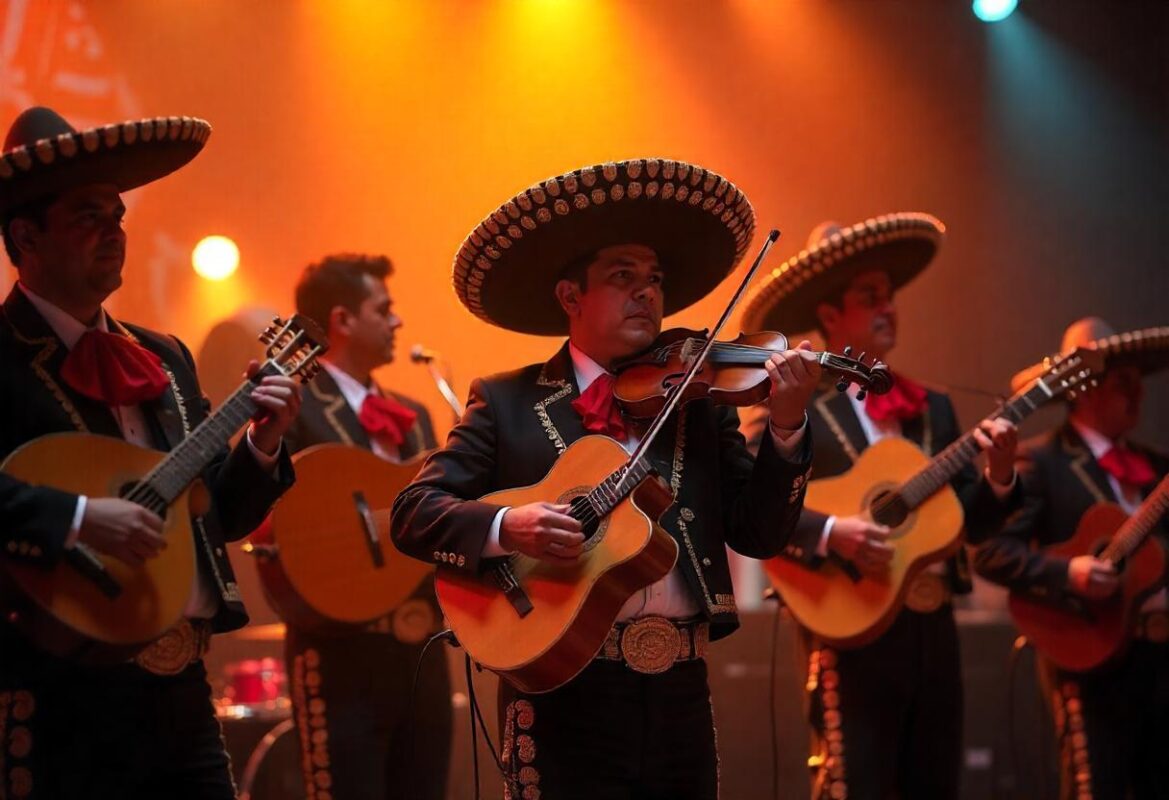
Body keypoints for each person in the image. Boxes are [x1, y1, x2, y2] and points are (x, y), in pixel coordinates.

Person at [391, 158, 821, 800]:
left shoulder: (695, 401)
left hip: (679, 686)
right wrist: (512, 526)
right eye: (623, 277)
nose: (648, 292)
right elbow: (413, 511)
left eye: (655, 279)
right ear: (571, 298)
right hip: (562, 688)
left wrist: (787, 429)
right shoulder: (505, 401)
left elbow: (759, 533)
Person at [0, 106, 300, 799]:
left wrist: (262, 443)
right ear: (26, 236)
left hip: (179, 689)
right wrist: (77, 519)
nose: (114, 233)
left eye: (118, 215)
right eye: (87, 217)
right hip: (55, 691)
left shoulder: (163, 355)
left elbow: (211, 520)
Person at [739, 214, 1020, 800]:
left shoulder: (933, 408)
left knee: (936, 781)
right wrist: (832, 531)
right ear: (829, 315)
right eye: (870, 297)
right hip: (846, 624)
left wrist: (997, 476)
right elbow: (751, 495)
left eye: (891, 297)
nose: (889, 308)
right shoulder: (796, 403)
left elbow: (971, 522)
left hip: (933, 626)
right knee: (855, 782)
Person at [278, 252, 451, 800]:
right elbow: (279, 523)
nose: (398, 321)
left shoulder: (415, 412)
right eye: (385, 308)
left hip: (420, 645)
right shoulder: (294, 407)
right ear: (342, 321)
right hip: (339, 649)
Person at [974, 318, 1169, 800]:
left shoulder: (1157, 468)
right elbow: (993, 552)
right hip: (1087, 655)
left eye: (1137, 381)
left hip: (1162, 661)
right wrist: (1070, 572)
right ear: (1085, 389)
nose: (1138, 394)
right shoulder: (1042, 463)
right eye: (1124, 382)